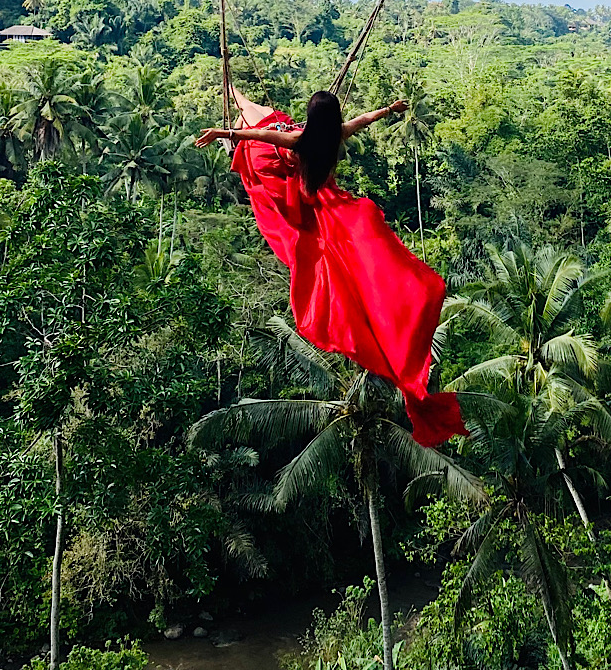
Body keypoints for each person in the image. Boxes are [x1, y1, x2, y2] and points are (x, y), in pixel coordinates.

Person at [197, 86, 466, 446]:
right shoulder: (335, 133)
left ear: (310, 117)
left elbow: (259, 133)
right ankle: (236, 93)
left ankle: (236, 95)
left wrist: (224, 133)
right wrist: (390, 108)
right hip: (332, 204)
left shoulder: (299, 139)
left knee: (255, 116)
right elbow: (364, 120)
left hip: (307, 210)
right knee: (254, 111)